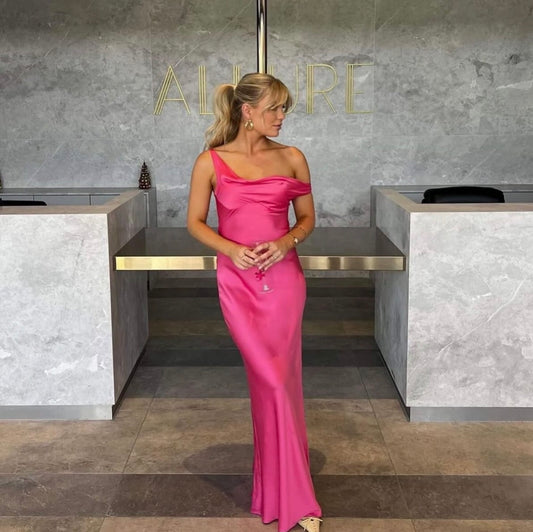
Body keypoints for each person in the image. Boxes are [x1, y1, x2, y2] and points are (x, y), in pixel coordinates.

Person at [187, 73, 322, 532]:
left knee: (282, 383)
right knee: (269, 381)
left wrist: (286, 242)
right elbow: (195, 223)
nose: (282, 117)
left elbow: (307, 218)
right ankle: (284, 492)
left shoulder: (292, 157)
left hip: (284, 283)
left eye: (284, 109)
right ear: (247, 111)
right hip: (238, 283)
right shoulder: (210, 162)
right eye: (274, 109)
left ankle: (291, 497)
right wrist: (230, 250)